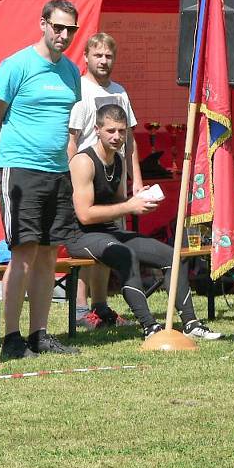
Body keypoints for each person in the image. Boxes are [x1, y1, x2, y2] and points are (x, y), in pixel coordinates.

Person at [66, 104, 222, 340]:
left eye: (122, 131)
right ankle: (150, 327)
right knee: (125, 255)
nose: (117, 137)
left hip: (109, 231)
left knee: (171, 256)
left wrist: (140, 200)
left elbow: (117, 203)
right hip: (81, 235)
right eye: (110, 131)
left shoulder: (118, 160)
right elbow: (85, 215)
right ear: (97, 130)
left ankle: (191, 323)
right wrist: (129, 206)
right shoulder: (83, 161)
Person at [0, 0, 83, 360]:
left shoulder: (72, 72)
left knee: (47, 254)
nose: (63, 35)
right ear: (42, 24)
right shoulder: (16, 66)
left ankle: (39, 334)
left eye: (70, 29)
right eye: (57, 27)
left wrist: (68, 163)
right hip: (20, 171)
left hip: (58, 173)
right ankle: (12, 339)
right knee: (22, 253)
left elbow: (69, 128)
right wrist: (1, 169)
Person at [68, 32, 143, 328]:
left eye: (108, 56)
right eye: (98, 55)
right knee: (88, 244)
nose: (103, 61)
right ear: (86, 57)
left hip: (114, 181)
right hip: (87, 179)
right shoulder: (79, 90)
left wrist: (135, 179)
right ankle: (80, 308)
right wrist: (70, 176)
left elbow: (131, 141)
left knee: (108, 243)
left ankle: (101, 306)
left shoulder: (120, 92)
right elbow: (72, 140)